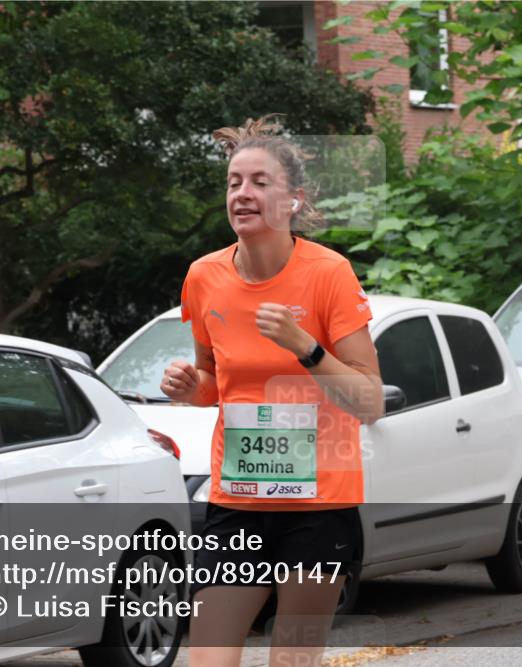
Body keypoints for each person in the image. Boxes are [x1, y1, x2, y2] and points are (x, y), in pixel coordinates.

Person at [160, 115, 384, 667]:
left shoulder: (329, 274)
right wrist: (192, 388)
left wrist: (305, 347)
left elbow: (370, 400)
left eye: (260, 182)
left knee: (292, 659)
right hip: (236, 503)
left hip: (318, 507)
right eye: (235, 182)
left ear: (293, 201)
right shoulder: (203, 277)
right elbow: (217, 384)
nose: (243, 193)